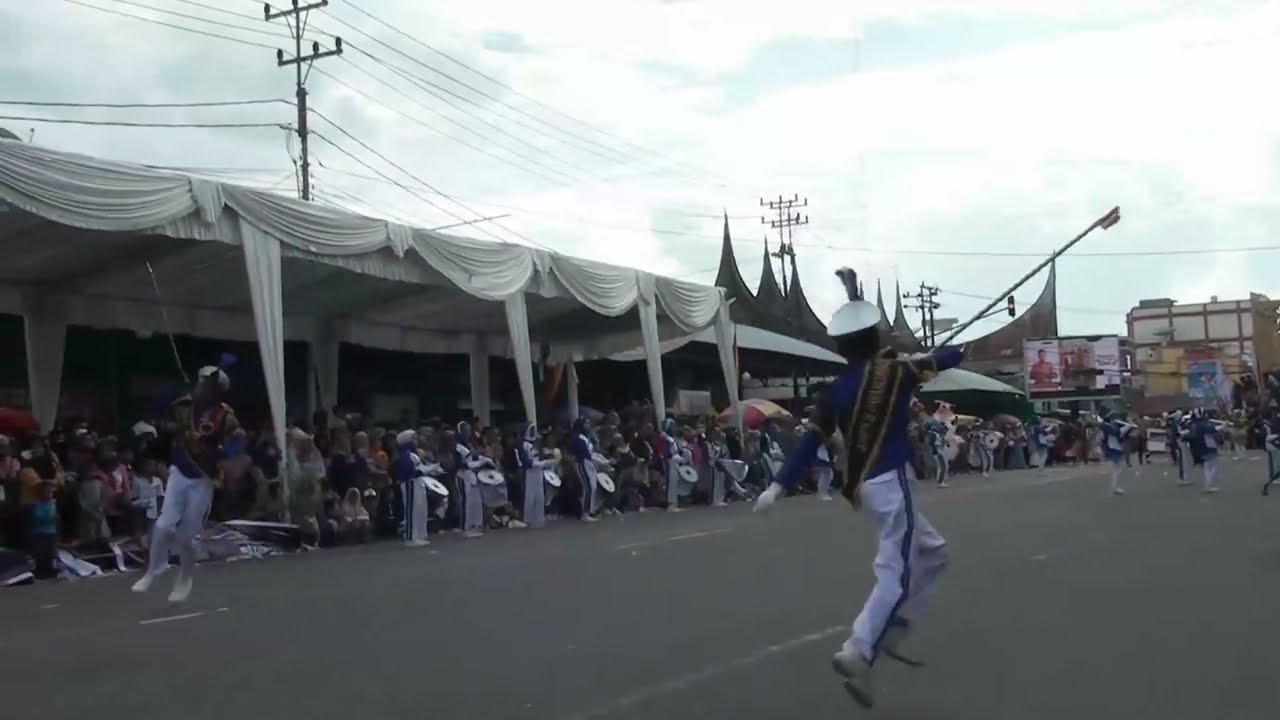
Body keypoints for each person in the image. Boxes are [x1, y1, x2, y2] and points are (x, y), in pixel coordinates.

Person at [753, 267, 964, 709]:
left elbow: (810, 440)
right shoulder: (896, 372)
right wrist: (960, 348)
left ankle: (896, 626)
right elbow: (943, 361)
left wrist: (777, 485)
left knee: (936, 552)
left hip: (866, 485)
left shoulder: (838, 389)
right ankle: (861, 647)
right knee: (896, 571)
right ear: (874, 340)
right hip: (893, 482)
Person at [131, 362, 241, 603]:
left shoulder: (225, 416)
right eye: (200, 381)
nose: (201, 387)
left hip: (202, 478)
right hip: (179, 472)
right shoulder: (182, 407)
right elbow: (161, 420)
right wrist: (174, 428)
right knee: (162, 526)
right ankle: (153, 570)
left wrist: (209, 448)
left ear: (217, 390)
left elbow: (236, 445)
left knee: (186, 538)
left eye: (207, 384)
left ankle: (185, 578)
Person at [1101, 412, 1137, 496]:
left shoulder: (1107, 426)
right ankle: (1115, 488)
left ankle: (1115, 487)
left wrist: (1128, 426)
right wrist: (1128, 425)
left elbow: (1120, 434)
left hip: (1114, 449)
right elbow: (1117, 433)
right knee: (1116, 470)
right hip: (1112, 450)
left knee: (1118, 470)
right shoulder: (1106, 426)